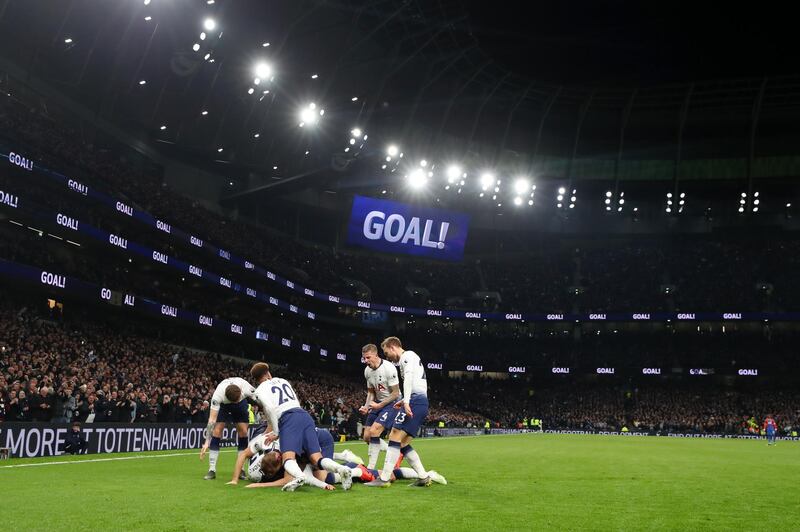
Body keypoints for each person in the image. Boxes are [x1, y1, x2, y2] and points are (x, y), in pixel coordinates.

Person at [248, 362, 352, 492]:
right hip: (303, 415)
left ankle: (299, 477)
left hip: (288, 419)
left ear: (256, 379)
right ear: (268, 372)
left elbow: (269, 408)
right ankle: (341, 469)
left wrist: (276, 431)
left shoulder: (260, 390)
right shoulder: (283, 381)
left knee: (288, 458)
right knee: (316, 458)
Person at [365, 336, 439, 488]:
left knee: (394, 435)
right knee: (403, 443)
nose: (387, 357)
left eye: (386, 353)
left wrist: (406, 401)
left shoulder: (407, 356)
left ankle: (384, 479)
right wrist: (403, 400)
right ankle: (424, 477)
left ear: (393, 347)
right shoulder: (410, 358)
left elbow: (409, 378)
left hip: (415, 401)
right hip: (419, 402)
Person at [199, 377, 258, 480]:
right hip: (223, 406)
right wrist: (207, 441)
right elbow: (211, 420)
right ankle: (212, 470)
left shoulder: (246, 387)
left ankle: (241, 469)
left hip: (241, 404)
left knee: (243, 432)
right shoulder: (218, 396)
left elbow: (261, 399)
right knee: (217, 430)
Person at [358, 344, 401, 469]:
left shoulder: (389, 368)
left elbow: (395, 393)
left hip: (392, 403)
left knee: (374, 431)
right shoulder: (367, 371)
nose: (365, 361)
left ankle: (370, 468)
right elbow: (371, 392)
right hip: (378, 404)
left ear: (376, 355)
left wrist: (379, 405)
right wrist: (366, 406)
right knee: (367, 437)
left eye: (368, 358)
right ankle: (394, 453)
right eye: (364, 358)